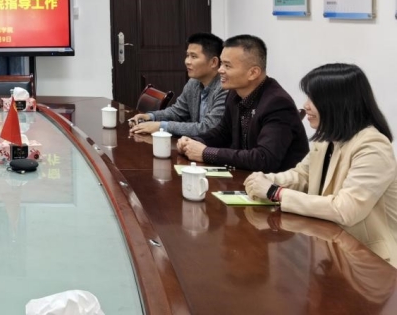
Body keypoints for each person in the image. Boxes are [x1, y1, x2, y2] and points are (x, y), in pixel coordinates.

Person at [244, 63, 397, 264]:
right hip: (332, 249)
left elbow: (345, 210)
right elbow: (301, 176)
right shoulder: (328, 139)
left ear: (337, 102)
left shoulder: (373, 146)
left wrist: (275, 192)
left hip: (369, 261)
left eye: (313, 99)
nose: (306, 105)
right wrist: (265, 180)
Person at [175, 35, 308, 172]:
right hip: (244, 175)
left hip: (276, 182)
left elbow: (264, 158)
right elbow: (222, 133)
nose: (220, 70)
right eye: (221, 63)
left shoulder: (277, 103)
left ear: (253, 73)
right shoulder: (234, 93)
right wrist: (194, 142)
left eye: (227, 65)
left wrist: (206, 153)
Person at [129, 32, 227, 137]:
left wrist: (160, 126)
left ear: (213, 62)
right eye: (187, 55)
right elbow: (177, 112)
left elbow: (209, 128)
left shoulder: (225, 88)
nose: (187, 61)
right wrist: (150, 116)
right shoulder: (193, 83)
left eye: (193, 56)